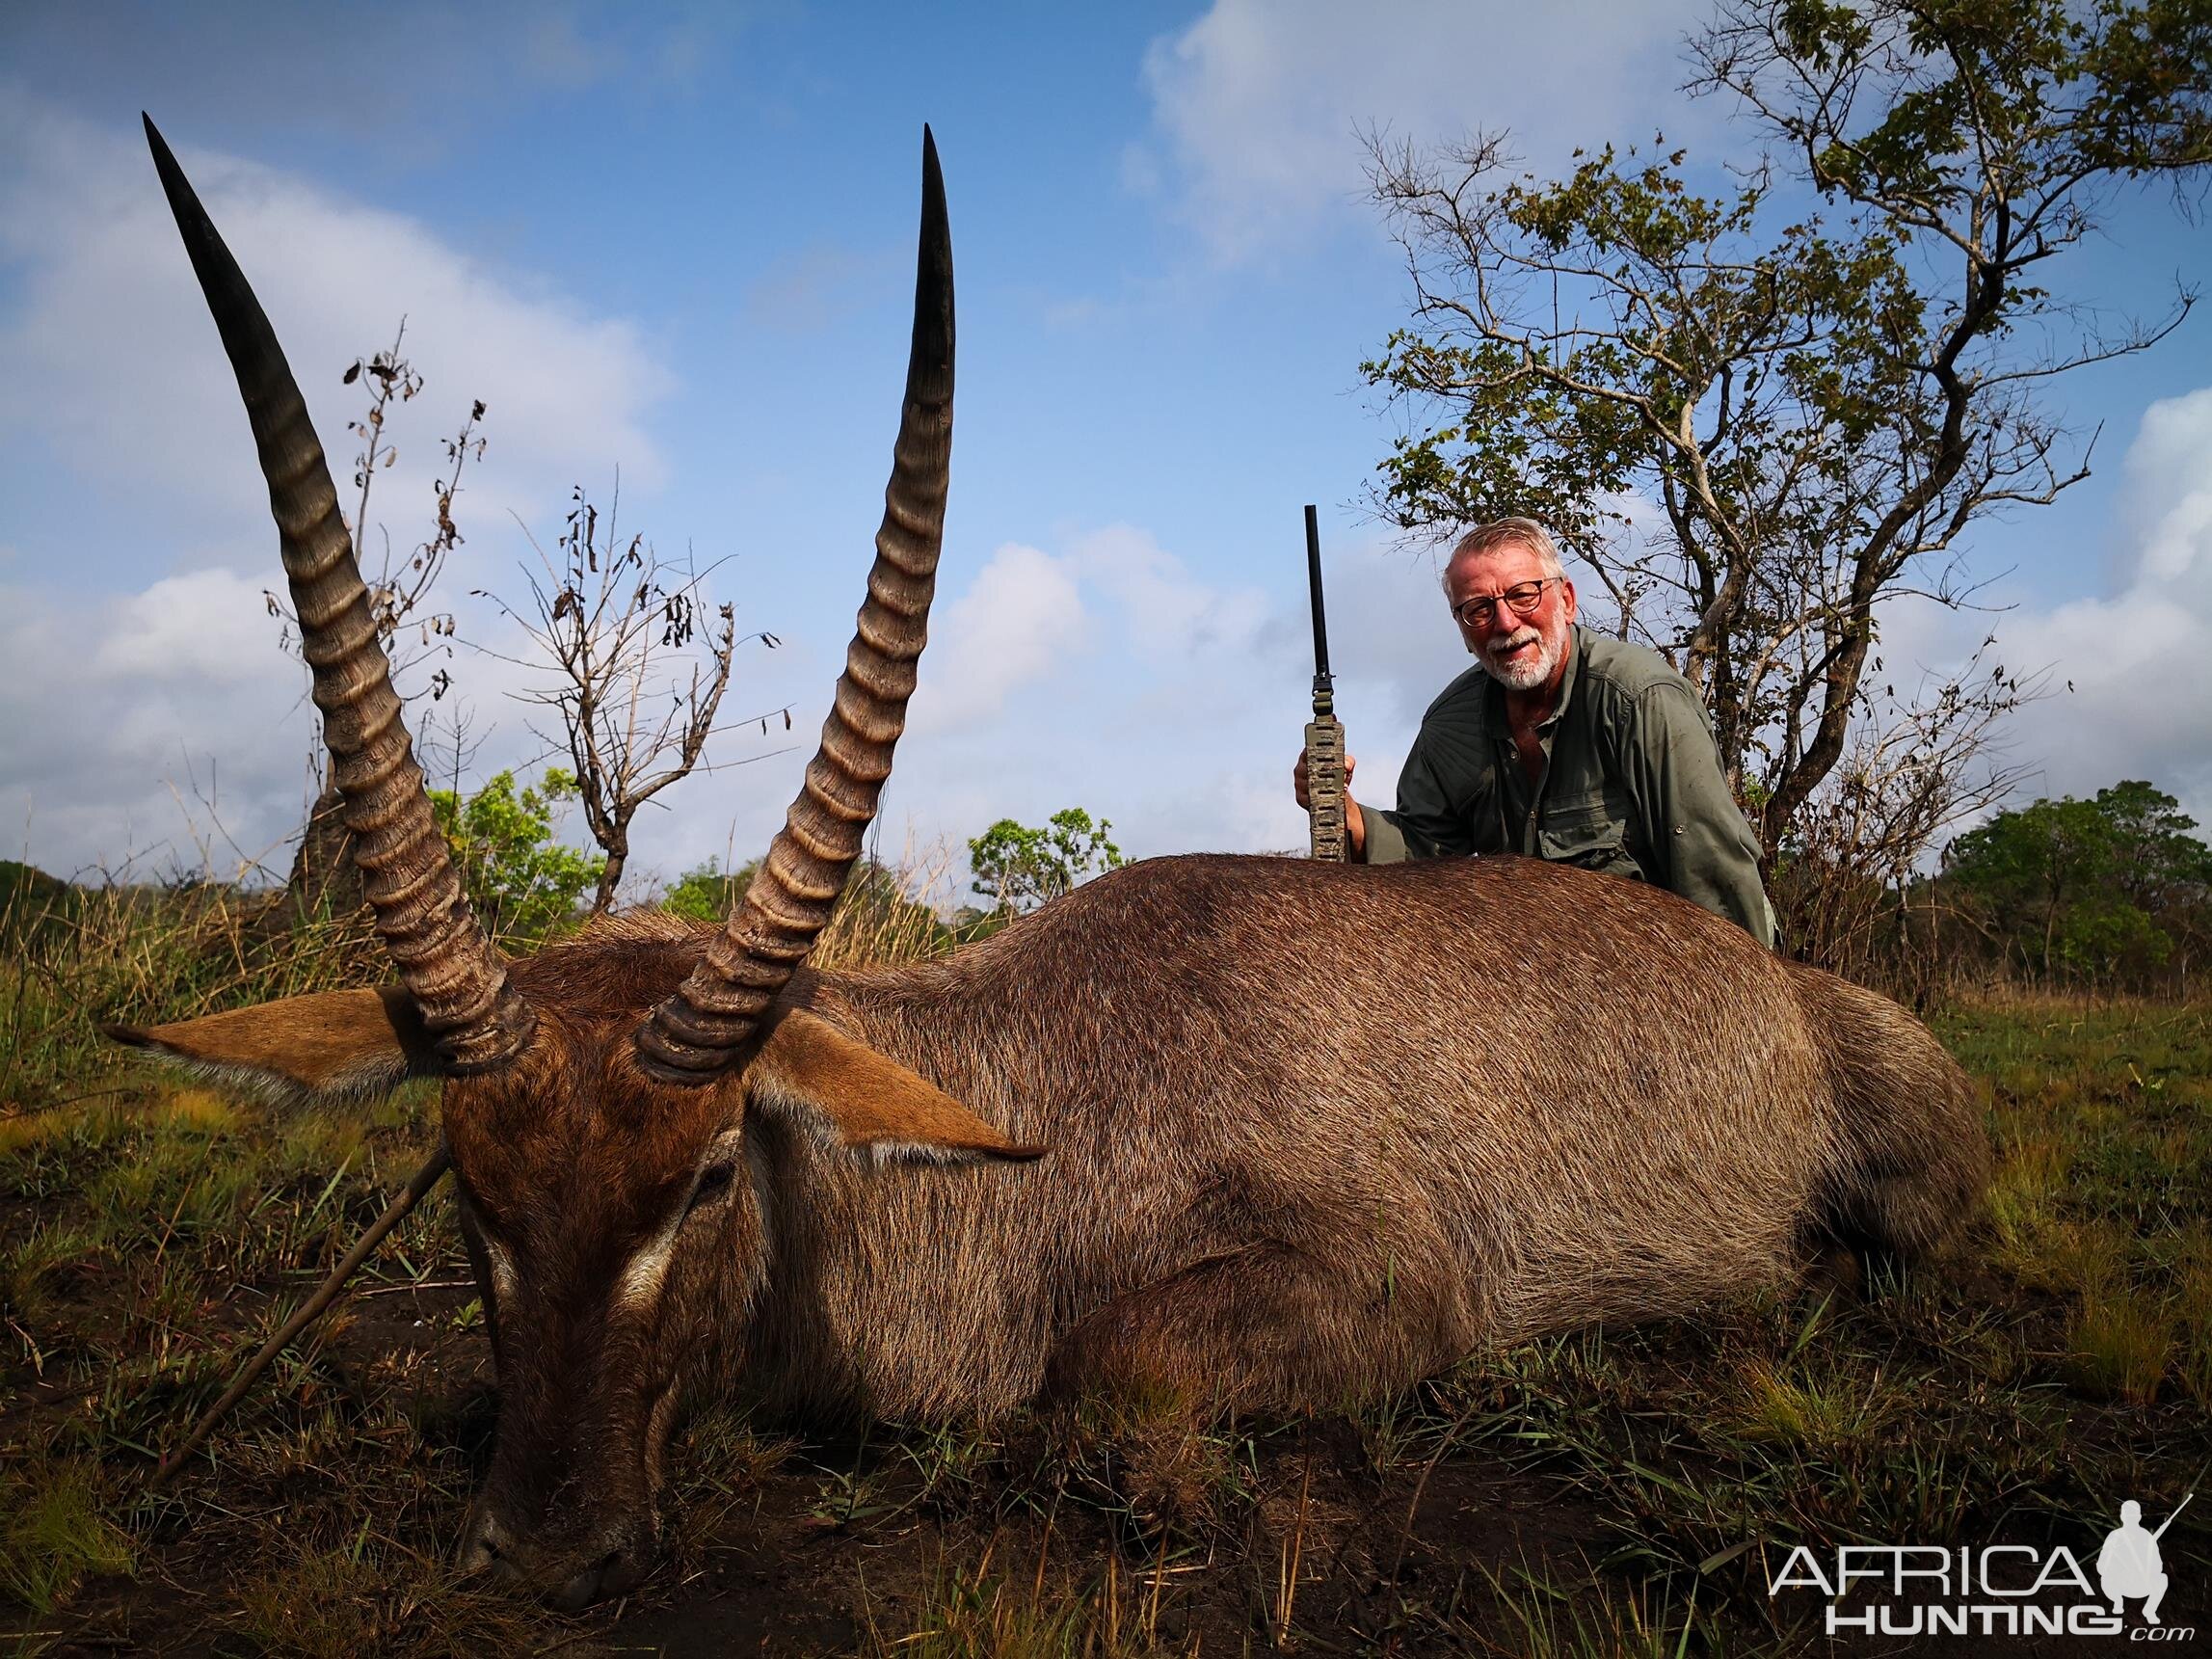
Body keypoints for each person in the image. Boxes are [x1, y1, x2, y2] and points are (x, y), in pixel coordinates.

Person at [1293, 517, 1776, 945]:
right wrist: (1352, 820)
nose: (1505, 622)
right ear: (1462, 628)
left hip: (1660, 977)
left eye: (1523, 594)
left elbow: (1714, 874)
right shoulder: (1448, 724)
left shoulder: (1640, 699)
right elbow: (1427, 861)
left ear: (1566, 600)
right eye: (1478, 609)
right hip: (1537, 993)